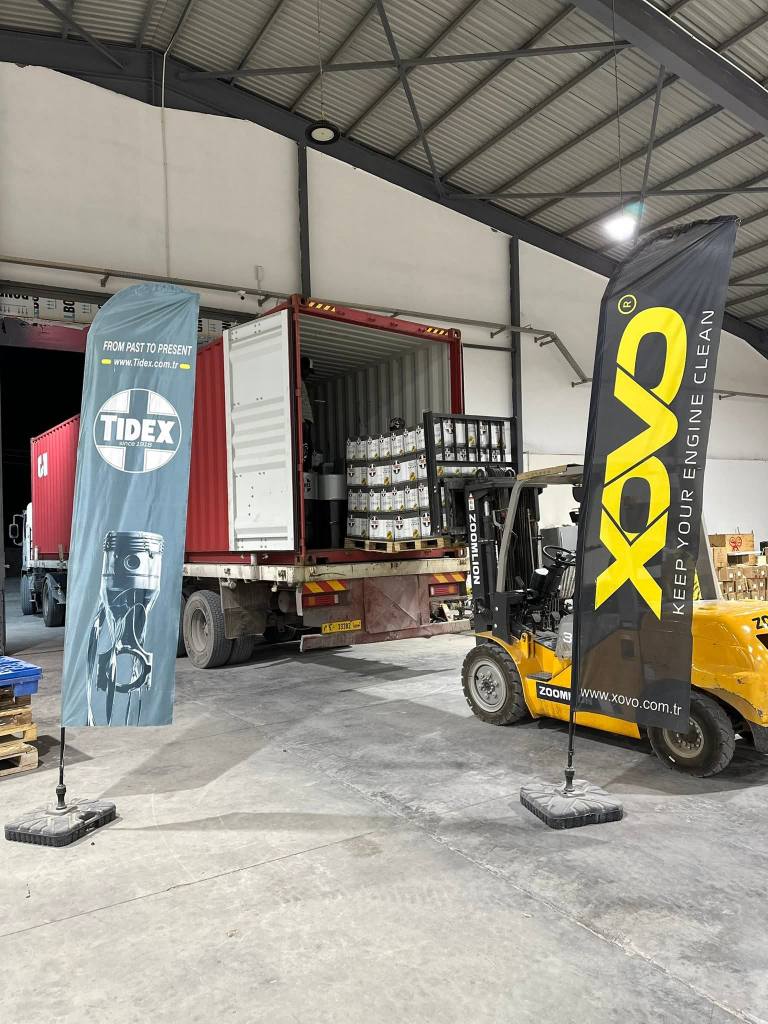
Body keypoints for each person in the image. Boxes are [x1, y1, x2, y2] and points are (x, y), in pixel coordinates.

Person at [301, 355, 314, 471]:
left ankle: (307, 469)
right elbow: (297, 402)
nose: (308, 374)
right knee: (305, 446)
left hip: (307, 421)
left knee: (309, 446)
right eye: (307, 371)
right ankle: (305, 470)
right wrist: (302, 421)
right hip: (304, 421)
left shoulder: (302, 383)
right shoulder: (298, 382)